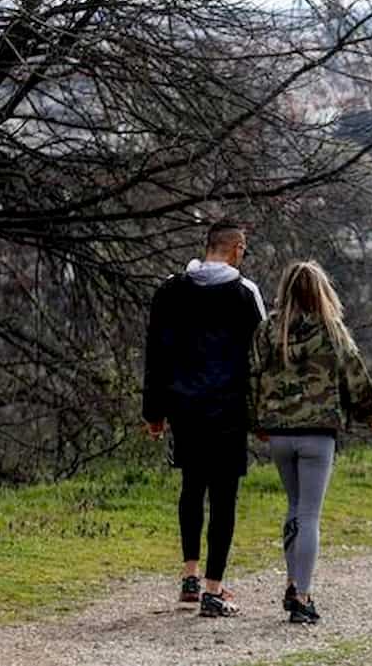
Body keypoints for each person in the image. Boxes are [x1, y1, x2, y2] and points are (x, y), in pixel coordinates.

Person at [142, 220, 266, 617]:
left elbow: (156, 354)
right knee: (225, 495)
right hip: (229, 408)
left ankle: (189, 576)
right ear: (236, 249)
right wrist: (264, 414)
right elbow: (259, 359)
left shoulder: (170, 290)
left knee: (192, 486)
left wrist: (154, 411)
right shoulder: (245, 294)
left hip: (184, 406)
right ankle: (215, 588)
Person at [247, 260, 372, 625]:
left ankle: (292, 581)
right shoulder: (331, 330)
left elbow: (252, 377)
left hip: (278, 432)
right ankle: (302, 596)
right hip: (318, 432)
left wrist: (256, 420)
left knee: (294, 507)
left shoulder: (268, 330)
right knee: (309, 513)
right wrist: (369, 413)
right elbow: (354, 374)